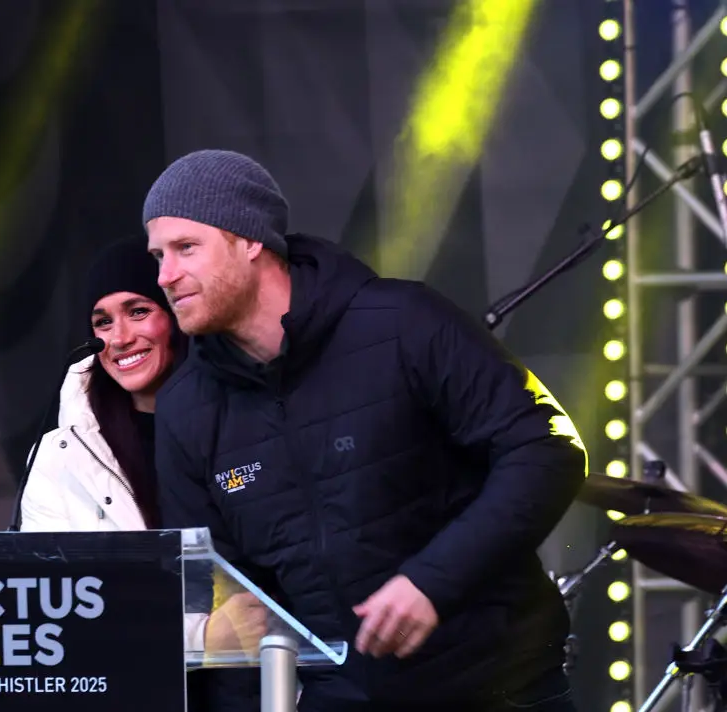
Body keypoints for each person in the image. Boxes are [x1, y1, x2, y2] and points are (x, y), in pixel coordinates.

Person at [142, 150, 588, 712]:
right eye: (158, 255)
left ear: (251, 240)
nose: (165, 276)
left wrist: (432, 581)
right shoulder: (186, 407)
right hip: (343, 697)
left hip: (502, 684)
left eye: (186, 248)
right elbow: (226, 600)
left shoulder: (401, 323)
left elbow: (545, 449)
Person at [17, 235, 266, 666]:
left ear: (175, 316)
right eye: (103, 322)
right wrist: (199, 638)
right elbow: (52, 611)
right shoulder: (59, 459)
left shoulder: (252, 418)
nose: (120, 338)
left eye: (138, 312)